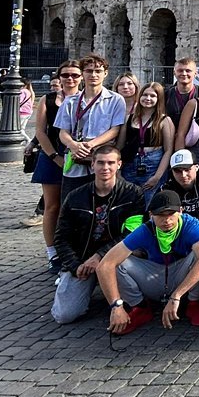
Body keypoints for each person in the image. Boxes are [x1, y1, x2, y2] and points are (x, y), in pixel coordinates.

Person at [97, 190, 199, 333]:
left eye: (171, 214)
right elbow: (104, 265)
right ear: (151, 215)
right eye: (160, 215)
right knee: (118, 263)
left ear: (180, 211)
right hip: (154, 277)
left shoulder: (190, 224)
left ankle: (193, 302)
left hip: (181, 275)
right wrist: (116, 306)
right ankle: (140, 307)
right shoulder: (145, 230)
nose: (167, 220)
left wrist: (176, 296)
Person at [51, 146, 145, 324]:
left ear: (119, 165)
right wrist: (75, 266)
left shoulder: (133, 194)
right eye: (101, 163)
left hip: (117, 257)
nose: (105, 167)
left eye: (111, 163)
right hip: (82, 259)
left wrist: (100, 256)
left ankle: (122, 295)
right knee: (64, 315)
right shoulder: (74, 197)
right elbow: (61, 238)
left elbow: (132, 234)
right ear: (92, 164)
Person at [30, 60, 82, 272]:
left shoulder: (86, 99)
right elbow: (40, 132)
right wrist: (54, 156)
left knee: (77, 204)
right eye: (66, 75)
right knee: (52, 206)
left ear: (81, 77)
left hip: (78, 155)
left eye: (75, 75)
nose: (70, 79)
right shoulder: (48, 100)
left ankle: (74, 247)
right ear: (59, 77)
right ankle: (52, 252)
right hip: (52, 153)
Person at [55, 53, 127, 201]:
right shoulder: (70, 101)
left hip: (102, 158)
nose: (93, 75)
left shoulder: (116, 100)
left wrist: (90, 144)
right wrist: (73, 145)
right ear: (82, 74)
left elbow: (115, 129)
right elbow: (63, 131)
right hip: (76, 158)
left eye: (98, 71)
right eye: (89, 71)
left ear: (105, 73)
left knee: (103, 203)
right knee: (72, 202)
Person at [117, 81, 174, 204]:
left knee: (149, 203)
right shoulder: (129, 118)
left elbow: (168, 150)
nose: (148, 98)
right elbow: (120, 146)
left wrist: (157, 176)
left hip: (153, 166)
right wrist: (118, 171)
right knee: (129, 203)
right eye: (145, 95)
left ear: (159, 99)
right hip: (130, 164)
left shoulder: (164, 120)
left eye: (153, 96)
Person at [165, 57, 199, 129]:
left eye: (188, 71)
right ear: (174, 73)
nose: (184, 74)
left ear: (195, 73)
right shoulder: (165, 94)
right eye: (180, 70)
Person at [18, 78, 36, 144]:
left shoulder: (22, 91)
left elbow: (19, 101)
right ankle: (22, 140)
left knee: (18, 129)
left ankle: (28, 139)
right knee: (22, 128)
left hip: (22, 112)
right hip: (28, 112)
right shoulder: (29, 91)